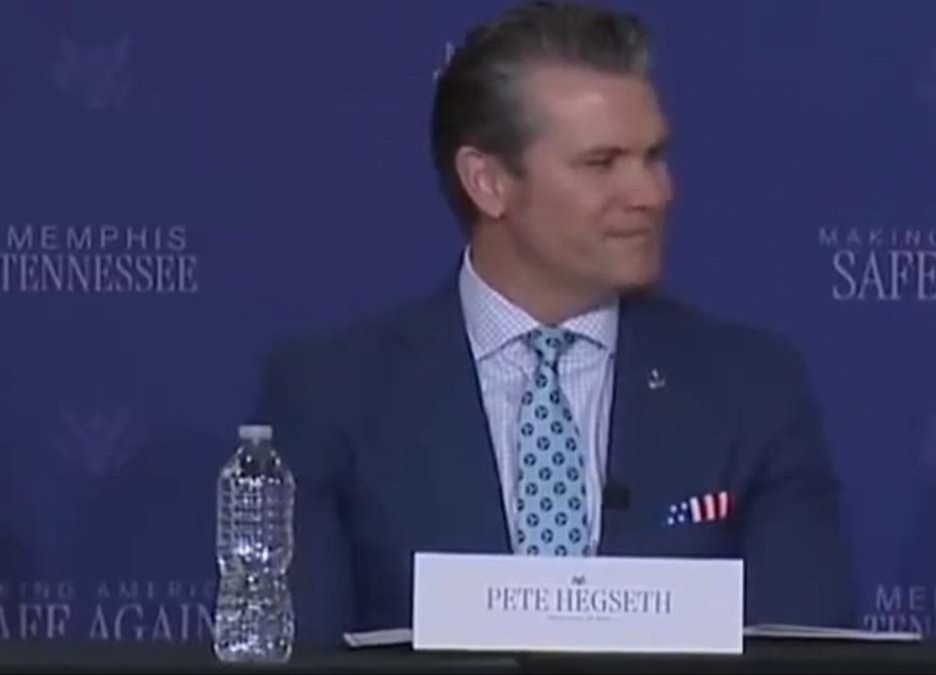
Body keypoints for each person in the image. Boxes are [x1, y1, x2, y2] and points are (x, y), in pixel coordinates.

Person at [253, 0, 855, 646]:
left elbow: (805, 648)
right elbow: (297, 651)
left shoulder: (754, 392)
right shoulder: (331, 397)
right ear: (488, 182)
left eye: (654, 156)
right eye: (602, 163)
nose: (653, 193)